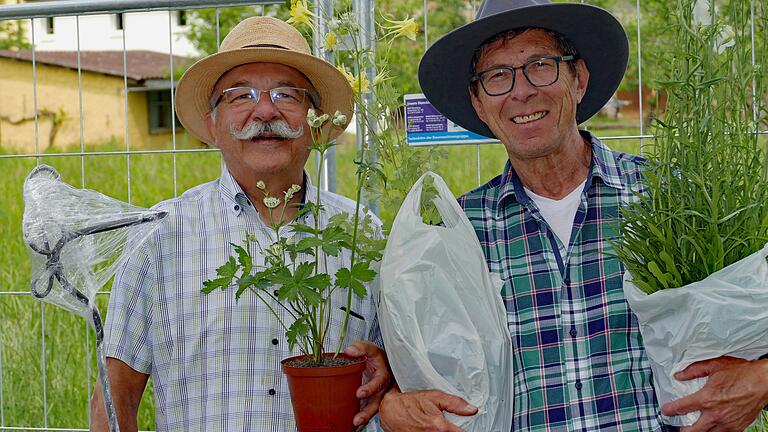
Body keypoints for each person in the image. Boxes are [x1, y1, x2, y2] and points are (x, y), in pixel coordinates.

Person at [379, 0, 768, 431]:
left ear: (578, 79)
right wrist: (391, 405)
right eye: (497, 76)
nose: (521, 91)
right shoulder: (456, 233)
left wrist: (763, 379)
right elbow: (418, 367)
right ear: (479, 102)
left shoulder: (670, 196)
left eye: (540, 65)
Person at [90, 16, 390, 432]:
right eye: (240, 96)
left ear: (315, 122)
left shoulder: (363, 233)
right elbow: (114, 398)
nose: (265, 110)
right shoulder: (158, 236)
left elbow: (397, 375)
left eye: (287, 94)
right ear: (213, 125)